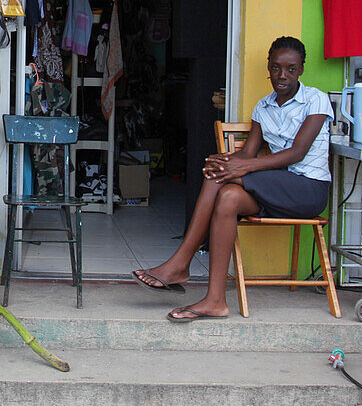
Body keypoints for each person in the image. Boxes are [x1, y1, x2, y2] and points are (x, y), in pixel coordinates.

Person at [131, 36, 333, 322]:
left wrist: (242, 168)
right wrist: (222, 162)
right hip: (277, 187)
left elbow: (297, 153)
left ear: (301, 69)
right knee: (226, 194)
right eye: (276, 68)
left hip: (308, 190)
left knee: (219, 180)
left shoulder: (316, 99)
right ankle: (215, 300)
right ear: (268, 67)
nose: (282, 76)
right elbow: (248, 153)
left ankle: (180, 263)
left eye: (290, 69)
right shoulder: (263, 107)